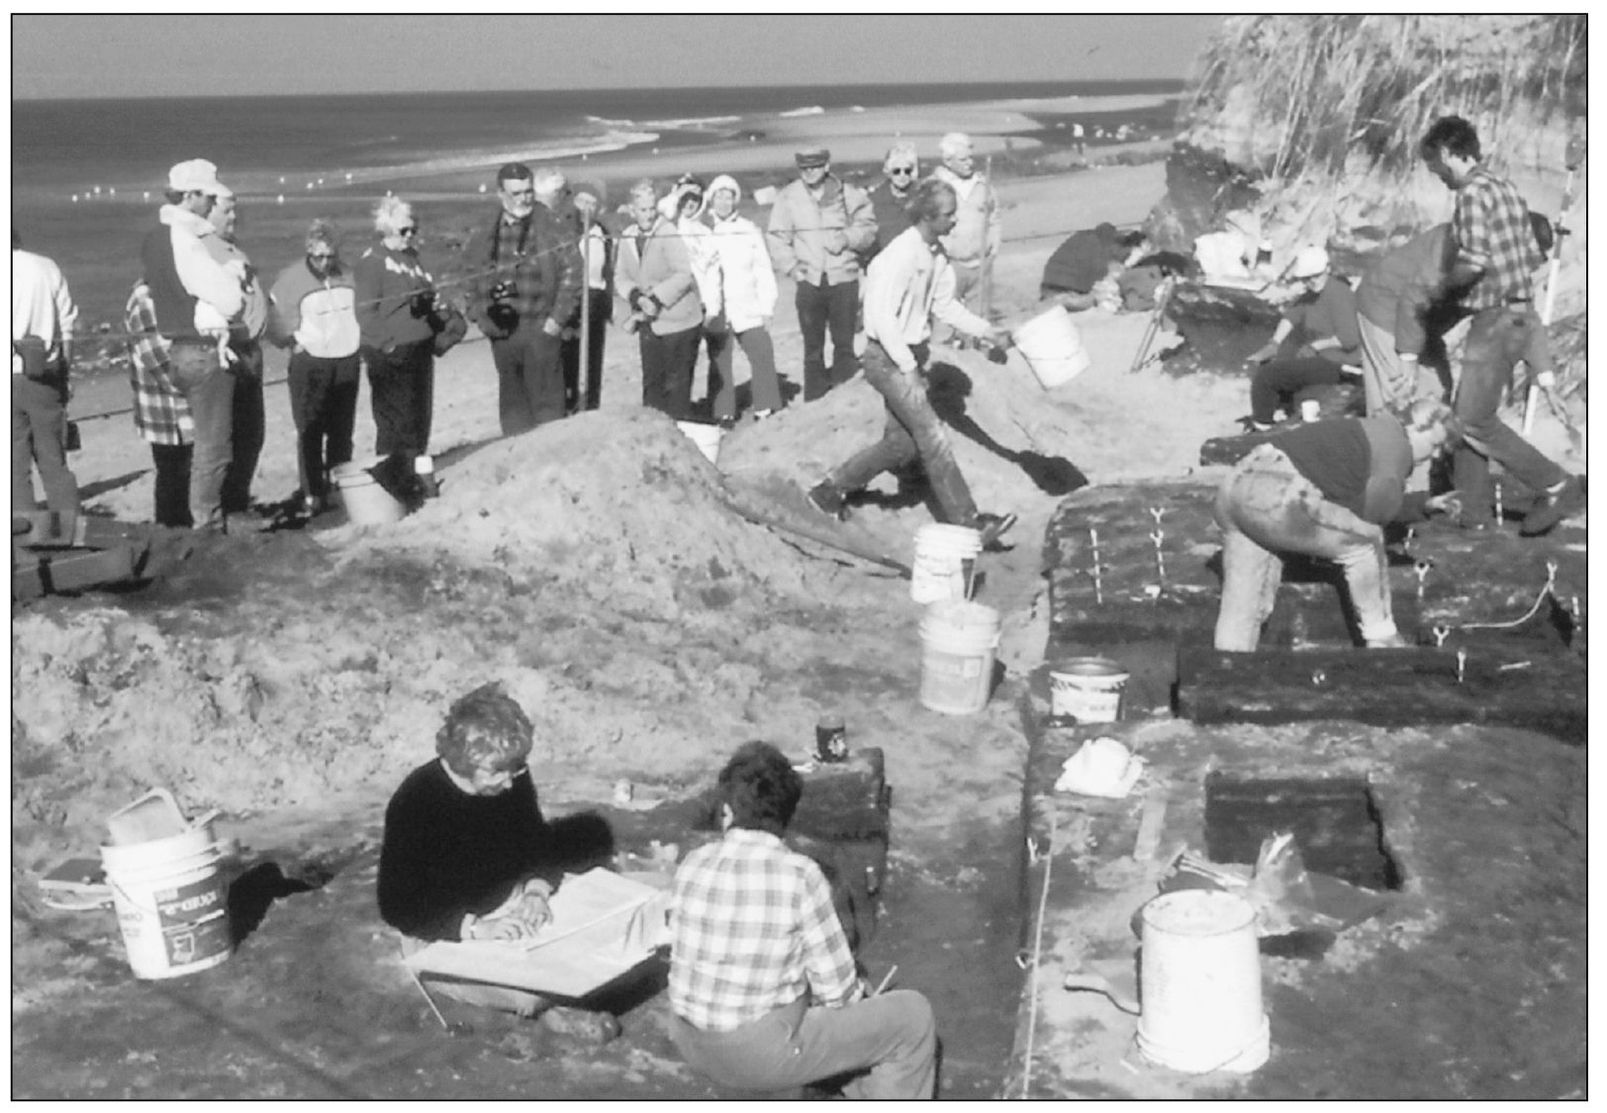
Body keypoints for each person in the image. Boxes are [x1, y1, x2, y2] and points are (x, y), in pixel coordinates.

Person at [667, 740, 937, 1099]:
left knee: (805, 1002)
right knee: (912, 1018)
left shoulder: (694, 863)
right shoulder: (799, 876)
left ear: (728, 812)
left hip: (688, 1038)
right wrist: (864, 1000)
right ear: (786, 816)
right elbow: (839, 994)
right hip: (756, 1053)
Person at [807, 178, 1016, 551]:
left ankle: (829, 490)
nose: (955, 222)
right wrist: (908, 368)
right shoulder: (900, 255)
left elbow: (945, 305)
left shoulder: (935, 254)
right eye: (949, 215)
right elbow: (880, 316)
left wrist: (987, 331)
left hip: (908, 355)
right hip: (886, 357)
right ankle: (969, 522)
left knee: (900, 448)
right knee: (933, 436)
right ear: (927, 216)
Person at [1419, 115, 1583, 535]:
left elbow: (1473, 262)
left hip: (1495, 320)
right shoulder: (1506, 188)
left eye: (1436, 165)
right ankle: (1472, 510)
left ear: (1448, 153)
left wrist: (1442, 290)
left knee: (1472, 420)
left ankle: (1555, 483)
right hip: (1519, 314)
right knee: (1468, 414)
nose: (1437, 176)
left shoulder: (1472, 194)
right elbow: (1530, 256)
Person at [1213, 397, 1463, 652]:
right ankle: (1383, 641)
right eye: (1434, 445)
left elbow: (1350, 497)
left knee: (1244, 606)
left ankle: (1227, 671)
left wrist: (1424, 505)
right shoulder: (1397, 448)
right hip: (1273, 492)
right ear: (1414, 427)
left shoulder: (1368, 429)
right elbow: (1374, 513)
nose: (1434, 456)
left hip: (1236, 485)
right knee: (1366, 542)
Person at [378, 681, 567, 1017]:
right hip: (445, 930)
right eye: (497, 772)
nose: (509, 782)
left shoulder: (510, 776)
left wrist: (537, 892)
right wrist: (477, 929)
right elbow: (400, 907)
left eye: (516, 768)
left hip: (510, 904)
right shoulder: (416, 802)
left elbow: (538, 842)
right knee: (529, 996)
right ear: (465, 759)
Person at [139, 158, 245, 532]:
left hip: (176, 348)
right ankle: (208, 525)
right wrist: (232, 273)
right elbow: (229, 300)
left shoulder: (153, 238)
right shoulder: (186, 238)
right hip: (201, 348)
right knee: (213, 447)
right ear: (190, 196)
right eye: (206, 196)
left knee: (201, 445)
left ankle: (199, 520)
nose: (210, 205)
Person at [468, 163, 583, 436]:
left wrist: (555, 321)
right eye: (516, 193)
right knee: (513, 412)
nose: (524, 199)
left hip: (540, 329)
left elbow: (573, 273)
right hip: (503, 333)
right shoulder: (488, 229)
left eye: (528, 192)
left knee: (548, 413)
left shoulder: (550, 224)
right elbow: (469, 274)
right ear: (501, 194)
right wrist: (480, 317)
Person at [766, 147, 876, 401]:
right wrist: (792, 268)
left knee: (844, 344)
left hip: (844, 279)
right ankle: (814, 400)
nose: (809, 173)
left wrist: (847, 238)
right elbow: (776, 236)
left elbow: (868, 228)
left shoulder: (847, 193)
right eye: (804, 168)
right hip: (809, 282)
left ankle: (846, 396)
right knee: (812, 348)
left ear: (826, 166)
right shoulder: (788, 196)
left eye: (814, 167)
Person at [268, 219, 361, 516]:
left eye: (329, 256)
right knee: (310, 429)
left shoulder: (348, 274)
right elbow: (272, 319)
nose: (324, 263)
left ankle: (338, 486)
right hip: (310, 362)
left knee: (342, 429)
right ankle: (312, 492)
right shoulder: (291, 278)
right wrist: (291, 342)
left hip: (346, 358)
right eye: (318, 256)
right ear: (309, 250)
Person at [354, 195, 437, 473]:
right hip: (392, 352)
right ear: (387, 229)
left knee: (419, 417)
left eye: (414, 229)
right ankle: (395, 473)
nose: (410, 235)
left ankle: (415, 468)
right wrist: (387, 345)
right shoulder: (373, 261)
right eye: (404, 231)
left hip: (419, 346)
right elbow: (365, 312)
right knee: (396, 421)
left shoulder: (411, 256)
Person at [204, 182, 270, 517]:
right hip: (232, 353)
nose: (234, 217)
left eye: (234, 209)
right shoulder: (204, 250)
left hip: (250, 351)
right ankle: (229, 507)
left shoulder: (229, 247)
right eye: (227, 210)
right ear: (207, 210)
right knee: (232, 437)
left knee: (251, 434)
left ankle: (237, 502)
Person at [1243, 247, 1363, 430]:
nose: (1311, 281)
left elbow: (1349, 338)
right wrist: (1274, 343)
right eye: (1306, 278)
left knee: (1266, 377)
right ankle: (1285, 412)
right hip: (1323, 357)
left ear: (1328, 269)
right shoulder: (1312, 295)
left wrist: (1317, 345)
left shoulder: (1339, 294)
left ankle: (1262, 425)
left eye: (1315, 276)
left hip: (1339, 362)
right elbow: (1293, 315)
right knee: (1273, 365)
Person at [615, 178, 705, 420]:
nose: (648, 214)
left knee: (677, 387)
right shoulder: (627, 236)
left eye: (652, 209)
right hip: (648, 322)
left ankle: (680, 432)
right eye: (643, 210)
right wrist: (634, 295)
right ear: (632, 210)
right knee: (652, 387)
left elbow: (683, 274)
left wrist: (655, 298)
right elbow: (620, 276)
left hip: (679, 321)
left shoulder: (668, 232)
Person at [1353, 223, 1460, 417]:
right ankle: (1391, 442)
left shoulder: (1506, 254)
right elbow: (1413, 298)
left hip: (1422, 315)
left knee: (1435, 388)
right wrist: (1408, 355)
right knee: (1399, 394)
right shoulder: (1458, 248)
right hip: (1386, 305)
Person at [12, 231, 80, 524]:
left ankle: (23, 533)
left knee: (14, 466)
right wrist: (67, 371)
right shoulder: (45, 266)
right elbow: (67, 324)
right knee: (53, 459)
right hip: (42, 375)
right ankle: (67, 530)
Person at [704, 174, 783, 424]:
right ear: (711, 199)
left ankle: (766, 407)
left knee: (762, 354)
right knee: (720, 363)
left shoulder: (748, 229)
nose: (724, 202)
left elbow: (763, 269)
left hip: (748, 305)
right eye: (720, 196)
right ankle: (723, 413)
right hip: (717, 310)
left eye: (729, 197)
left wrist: (767, 306)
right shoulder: (704, 231)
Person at [124, 279, 195, 528]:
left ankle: (184, 527)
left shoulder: (178, 292)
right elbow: (160, 365)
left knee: (187, 473)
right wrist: (201, 386)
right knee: (173, 475)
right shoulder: (146, 303)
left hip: (185, 405)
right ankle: (172, 532)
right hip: (165, 410)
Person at [930, 133, 1001, 316]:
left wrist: (994, 245)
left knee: (978, 321)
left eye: (971, 157)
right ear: (948, 161)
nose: (970, 163)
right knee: (947, 320)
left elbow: (994, 216)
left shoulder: (982, 185)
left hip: (981, 265)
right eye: (963, 159)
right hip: (949, 265)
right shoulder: (935, 186)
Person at [568, 180, 614, 413]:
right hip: (574, 301)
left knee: (594, 359)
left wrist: (610, 304)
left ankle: (591, 407)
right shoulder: (568, 233)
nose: (586, 208)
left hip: (596, 300)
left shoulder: (603, 233)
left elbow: (608, 271)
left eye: (592, 204)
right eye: (582, 201)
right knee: (573, 360)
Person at [1039, 221, 1146, 309]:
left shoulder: (1083, 238)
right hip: (1065, 290)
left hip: (1049, 286)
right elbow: (1108, 281)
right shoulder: (1104, 251)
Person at [863, 143, 920, 264]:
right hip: (884, 263)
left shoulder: (922, 198)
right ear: (888, 171)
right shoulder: (873, 200)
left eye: (907, 171)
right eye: (896, 171)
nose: (902, 175)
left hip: (916, 262)